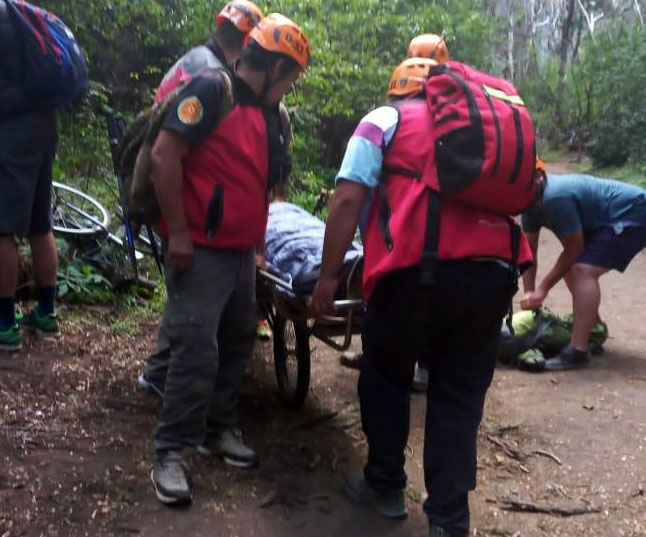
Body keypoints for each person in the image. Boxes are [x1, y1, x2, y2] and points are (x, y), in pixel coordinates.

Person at [309, 57, 532, 537]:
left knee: (387, 376)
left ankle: (385, 486)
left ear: (398, 93)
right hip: (495, 272)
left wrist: (329, 279)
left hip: (416, 271)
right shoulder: (488, 126)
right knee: (459, 395)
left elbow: (347, 199)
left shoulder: (383, 120)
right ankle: (449, 521)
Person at [148, 13, 310, 505]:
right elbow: (163, 156)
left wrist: (260, 248)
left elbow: (265, 187)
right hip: (198, 247)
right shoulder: (210, 91)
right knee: (196, 350)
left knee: (238, 337)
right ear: (274, 69)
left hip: (241, 251)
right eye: (291, 78)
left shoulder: (272, 116)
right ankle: (171, 453)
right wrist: (178, 233)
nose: (291, 87)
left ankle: (217, 427)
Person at [139, 0, 263, 394]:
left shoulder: (193, 60)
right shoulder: (212, 77)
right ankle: (166, 379)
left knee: (188, 295)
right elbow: (178, 149)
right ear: (247, 43)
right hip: (177, 188)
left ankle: (159, 371)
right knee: (194, 300)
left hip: (166, 181)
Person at [520, 171, 646, 370]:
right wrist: (530, 293)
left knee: (581, 270)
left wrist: (542, 290)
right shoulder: (528, 205)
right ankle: (593, 330)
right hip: (612, 217)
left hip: (634, 211)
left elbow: (574, 249)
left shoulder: (554, 197)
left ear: (539, 177)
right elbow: (528, 252)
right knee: (571, 269)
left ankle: (578, 351)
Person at [0, 0, 60, 352]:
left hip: (13, 130)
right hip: (43, 125)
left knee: (3, 227)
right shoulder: (24, 14)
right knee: (40, 223)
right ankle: (46, 312)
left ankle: (5, 323)